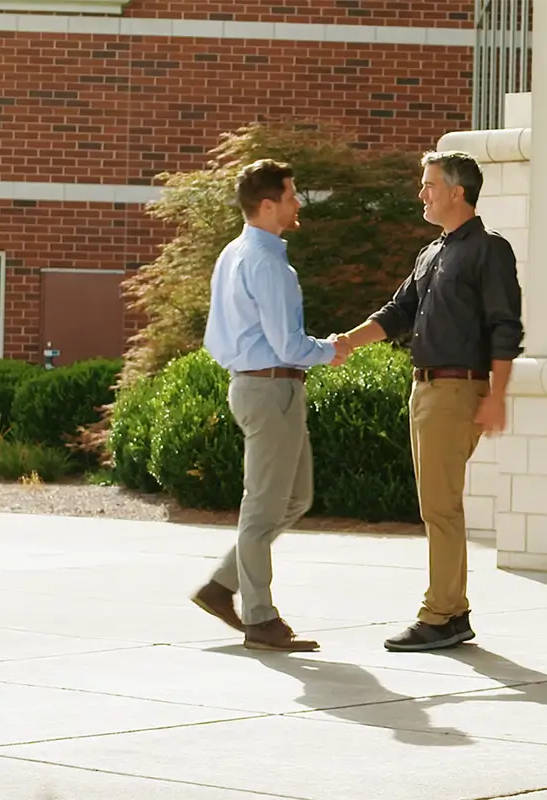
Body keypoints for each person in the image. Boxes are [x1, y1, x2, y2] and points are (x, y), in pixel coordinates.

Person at [336, 150, 524, 652]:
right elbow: (398, 312)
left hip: (458, 388)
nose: (422, 194)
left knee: (440, 507)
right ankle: (453, 612)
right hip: (425, 389)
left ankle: (440, 614)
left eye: (430, 185)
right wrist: (346, 343)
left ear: (457, 192)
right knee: (436, 505)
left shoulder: (489, 250)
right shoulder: (431, 253)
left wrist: (497, 396)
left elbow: (506, 328)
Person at [190, 158, 350, 652]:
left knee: (294, 498)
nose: (297, 203)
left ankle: (221, 585)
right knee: (262, 509)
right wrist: (331, 350)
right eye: (290, 195)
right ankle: (261, 620)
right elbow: (287, 343)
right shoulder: (267, 262)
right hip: (271, 387)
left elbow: (220, 336)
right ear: (267, 205)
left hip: (258, 386)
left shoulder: (235, 252)